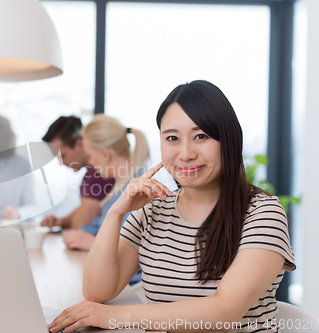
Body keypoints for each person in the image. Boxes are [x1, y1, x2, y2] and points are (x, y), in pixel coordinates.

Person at [47, 81, 295, 333]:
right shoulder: (152, 211)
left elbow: (224, 313)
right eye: (172, 138)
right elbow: (97, 291)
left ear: (228, 140)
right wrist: (115, 212)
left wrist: (117, 316)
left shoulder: (263, 213)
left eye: (201, 136)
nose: (185, 153)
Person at [61, 114, 150, 258]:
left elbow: (139, 252)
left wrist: (93, 243)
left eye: (89, 156)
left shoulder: (139, 190)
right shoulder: (118, 189)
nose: (90, 164)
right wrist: (81, 234)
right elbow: (100, 226)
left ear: (105, 154)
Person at [41, 116, 115, 230]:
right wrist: (61, 221)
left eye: (63, 155)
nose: (61, 163)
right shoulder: (92, 171)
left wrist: (72, 222)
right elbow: (84, 208)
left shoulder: (98, 172)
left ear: (80, 144)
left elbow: (80, 225)